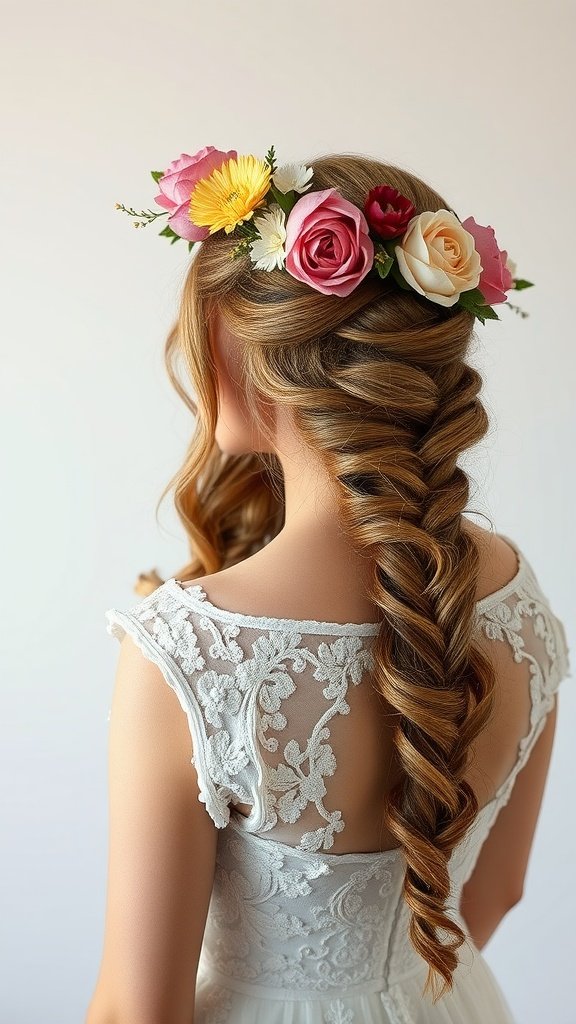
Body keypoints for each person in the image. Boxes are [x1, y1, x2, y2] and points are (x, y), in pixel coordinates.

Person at [86, 147, 571, 1024]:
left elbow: (136, 1011)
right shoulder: (517, 601)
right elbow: (494, 896)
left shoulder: (186, 656)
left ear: (237, 349)